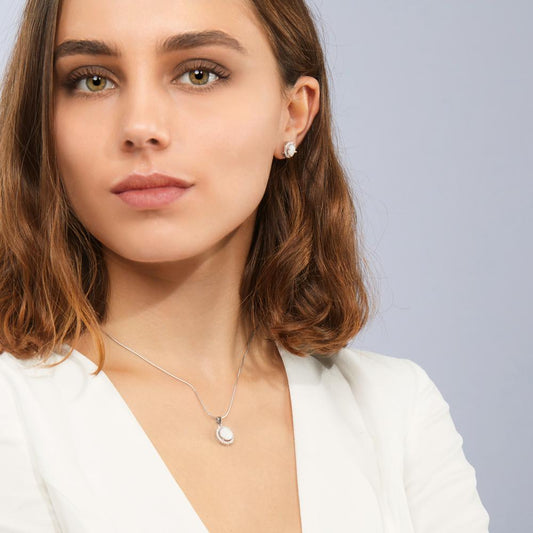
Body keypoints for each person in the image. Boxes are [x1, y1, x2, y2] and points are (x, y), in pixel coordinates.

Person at [0, 0, 490, 531]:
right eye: (92, 81)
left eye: (199, 74)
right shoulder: (13, 411)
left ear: (293, 114)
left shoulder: (396, 412)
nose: (140, 127)